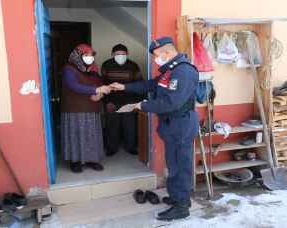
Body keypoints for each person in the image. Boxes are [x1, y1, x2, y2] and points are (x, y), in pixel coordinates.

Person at [110, 37, 199, 221]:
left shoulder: (183, 72)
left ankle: (181, 206)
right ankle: (179, 198)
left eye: (157, 55)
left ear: (167, 52)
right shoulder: (170, 71)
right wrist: (124, 86)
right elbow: (150, 84)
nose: (155, 59)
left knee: (179, 167)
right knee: (174, 164)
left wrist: (143, 106)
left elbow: (171, 102)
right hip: (172, 125)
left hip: (180, 125)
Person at [61, 44, 111, 173]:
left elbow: (100, 83)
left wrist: (99, 94)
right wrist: (96, 89)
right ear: (78, 56)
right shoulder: (69, 69)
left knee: (92, 135)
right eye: (86, 55)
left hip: (92, 108)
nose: (90, 58)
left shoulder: (93, 69)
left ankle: (92, 160)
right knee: (76, 135)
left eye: (91, 55)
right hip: (75, 109)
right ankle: (75, 162)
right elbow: (74, 86)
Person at [101, 44, 143, 156]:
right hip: (111, 101)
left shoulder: (133, 66)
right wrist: (107, 102)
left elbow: (139, 84)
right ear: (112, 54)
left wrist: (136, 103)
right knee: (112, 126)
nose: (120, 56)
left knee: (130, 126)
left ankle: (131, 147)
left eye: (123, 54)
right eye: (117, 54)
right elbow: (102, 84)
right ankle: (111, 148)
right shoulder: (106, 65)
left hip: (129, 100)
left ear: (127, 54)